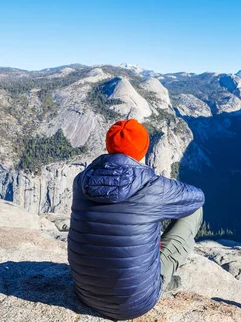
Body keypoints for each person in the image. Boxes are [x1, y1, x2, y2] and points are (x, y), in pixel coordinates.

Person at [67, 119, 205, 321]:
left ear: (108, 146)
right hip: (135, 304)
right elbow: (198, 197)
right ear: (143, 150)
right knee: (194, 211)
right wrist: (164, 188)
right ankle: (162, 279)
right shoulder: (153, 187)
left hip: (85, 293)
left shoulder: (81, 181)